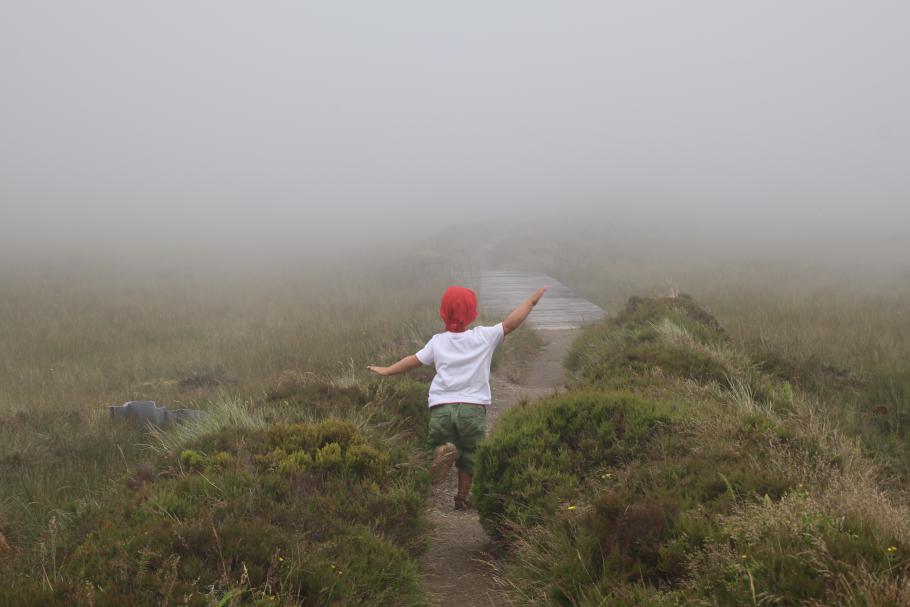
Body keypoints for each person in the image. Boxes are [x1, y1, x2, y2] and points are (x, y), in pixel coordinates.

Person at [368, 284, 547, 510]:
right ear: (473, 313)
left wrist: (386, 370)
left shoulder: (438, 341)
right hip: (472, 409)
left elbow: (412, 360)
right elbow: (511, 323)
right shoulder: (484, 336)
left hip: (442, 406)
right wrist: (531, 301)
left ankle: (440, 450)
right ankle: (461, 497)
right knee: (469, 455)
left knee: (435, 442)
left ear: (443, 312)